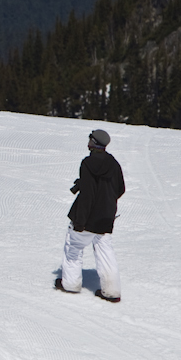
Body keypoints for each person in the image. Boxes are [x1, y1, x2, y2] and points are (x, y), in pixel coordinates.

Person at [55, 128, 126, 301]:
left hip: (87, 220)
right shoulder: (113, 163)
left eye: (90, 139)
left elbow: (87, 196)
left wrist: (80, 221)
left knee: (74, 248)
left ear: (93, 143)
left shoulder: (87, 164)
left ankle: (71, 284)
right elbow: (121, 189)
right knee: (105, 253)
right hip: (105, 219)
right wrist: (107, 204)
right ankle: (112, 292)